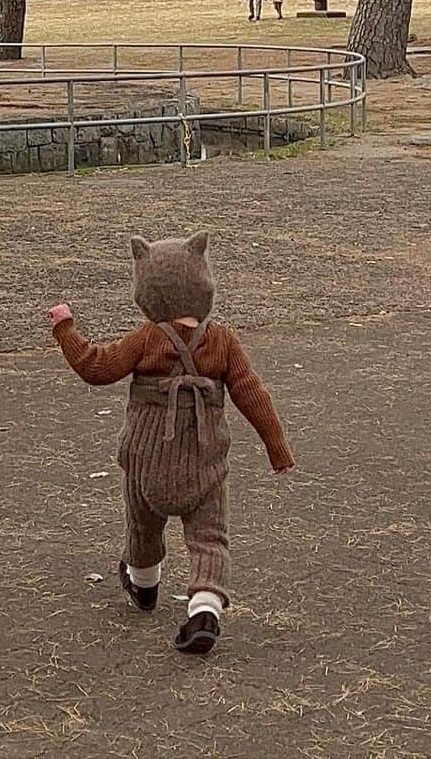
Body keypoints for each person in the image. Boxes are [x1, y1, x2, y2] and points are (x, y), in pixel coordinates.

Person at [47, 232, 293, 654]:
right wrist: (277, 448)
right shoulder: (224, 341)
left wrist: (66, 329)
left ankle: (144, 585)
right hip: (204, 460)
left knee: (142, 526)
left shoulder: (145, 339)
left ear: (146, 290)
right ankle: (205, 608)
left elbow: (97, 367)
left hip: (147, 458)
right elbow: (252, 393)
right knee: (210, 536)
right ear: (203, 282)